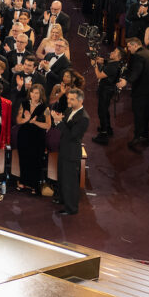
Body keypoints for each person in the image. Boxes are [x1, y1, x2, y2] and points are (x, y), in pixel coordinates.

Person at [118, 36, 149, 150]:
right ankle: (145, 137)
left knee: (139, 115)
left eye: (129, 46)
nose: (128, 49)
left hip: (142, 91)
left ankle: (137, 138)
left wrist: (126, 81)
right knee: (146, 115)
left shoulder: (138, 56)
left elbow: (136, 72)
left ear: (135, 45)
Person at [52, 87, 89, 215]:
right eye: (68, 98)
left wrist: (58, 122)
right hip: (64, 149)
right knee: (62, 177)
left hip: (72, 152)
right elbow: (66, 126)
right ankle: (63, 200)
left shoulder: (83, 118)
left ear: (80, 101)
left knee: (70, 182)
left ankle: (71, 208)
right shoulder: (70, 110)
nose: (69, 101)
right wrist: (59, 120)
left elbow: (72, 135)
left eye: (72, 99)